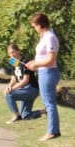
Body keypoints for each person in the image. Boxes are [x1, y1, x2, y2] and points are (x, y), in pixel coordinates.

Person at [26, 12, 61, 140]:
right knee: (48, 102)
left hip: (48, 72)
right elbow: (42, 56)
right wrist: (34, 62)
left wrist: (36, 65)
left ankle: (52, 131)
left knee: (49, 103)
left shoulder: (50, 37)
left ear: (40, 25)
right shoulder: (44, 37)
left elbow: (51, 60)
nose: (34, 28)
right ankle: (53, 130)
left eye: (34, 25)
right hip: (43, 71)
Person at [4, 43, 39, 123]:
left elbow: (26, 80)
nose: (12, 55)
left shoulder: (25, 62)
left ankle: (16, 115)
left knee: (8, 94)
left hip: (31, 89)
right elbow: (14, 77)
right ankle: (45, 111)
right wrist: (10, 86)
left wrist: (13, 88)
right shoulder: (14, 62)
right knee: (26, 116)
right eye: (9, 53)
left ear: (18, 51)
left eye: (13, 52)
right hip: (24, 90)